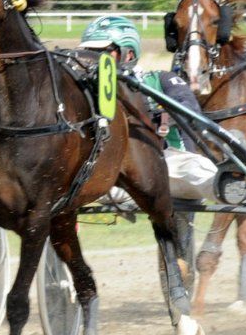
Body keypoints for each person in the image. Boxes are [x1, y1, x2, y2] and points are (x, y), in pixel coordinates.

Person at [79, 15, 217, 203]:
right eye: (88, 51)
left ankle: (233, 188)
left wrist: (158, 118)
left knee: (198, 169)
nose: (92, 58)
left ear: (128, 53)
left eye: (102, 51)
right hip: (114, 173)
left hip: (170, 164)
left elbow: (190, 112)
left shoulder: (161, 80)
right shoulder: (84, 90)